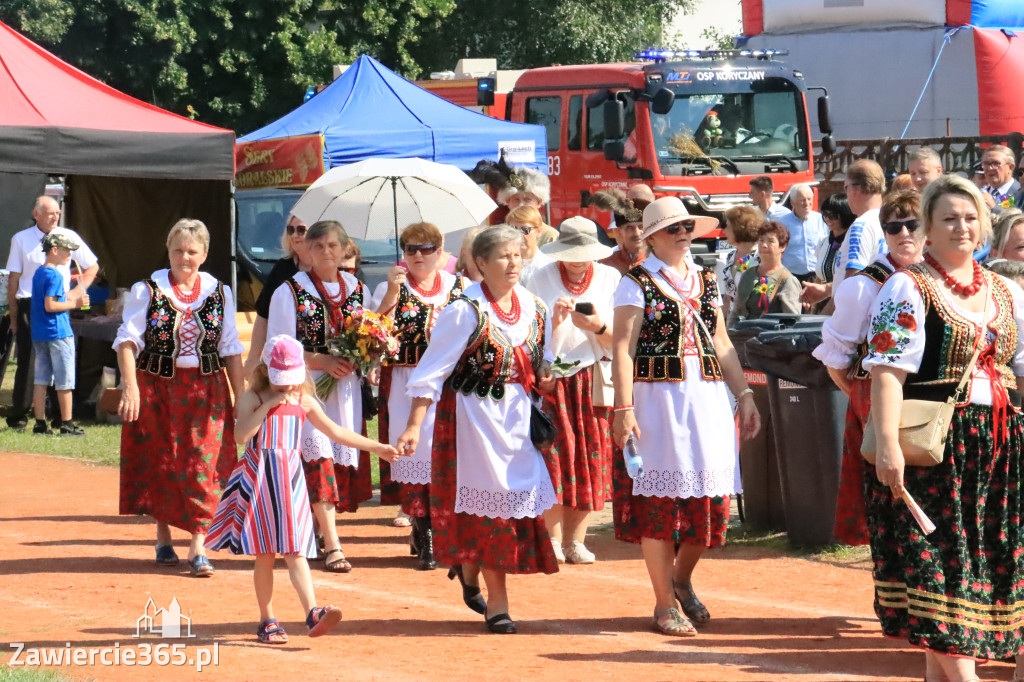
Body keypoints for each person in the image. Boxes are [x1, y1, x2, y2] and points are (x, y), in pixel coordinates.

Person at [863, 174, 1024, 682]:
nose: (962, 227)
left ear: (985, 226)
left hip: (1001, 444)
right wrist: (888, 448)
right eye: (949, 218)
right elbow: (887, 374)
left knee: (1001, 558)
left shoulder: (1007, 290)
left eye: (971, 217)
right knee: (946, 565)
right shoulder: (907, 286)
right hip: (936, 450)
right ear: (927, 230)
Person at [397, 225, 558, 635]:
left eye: (517, 255)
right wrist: (415, 425)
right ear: (480, 264)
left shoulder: (535, 306)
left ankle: (468, 569)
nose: (512, 262)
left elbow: (544, 361)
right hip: (472, 419)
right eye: (502, 256)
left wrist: (547, 374)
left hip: (518, 420)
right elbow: (429, 374)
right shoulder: (464, 309)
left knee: (511, 503)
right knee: (488, 511)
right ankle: (497, 605)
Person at [611, 196, 759, 637]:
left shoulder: (706, 280)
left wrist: (745, 394)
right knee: (659, 504)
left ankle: (681, 578)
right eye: (673, 228)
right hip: (658, 402)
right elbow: (622, 347)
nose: (682, 234)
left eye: (687, 227)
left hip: (708, 400)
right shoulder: (635, 282)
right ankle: (663, 604)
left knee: (711, 499)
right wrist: (623, 408)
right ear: (651, 236)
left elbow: (722, 342)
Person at [206, 335, 400, 644]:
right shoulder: (252, 398)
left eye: (292, 379)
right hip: (260, 480)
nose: (287, 387)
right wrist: (268, 405)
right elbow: (242, 435)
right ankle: (267, 618)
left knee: (296, 550)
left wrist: (377, 447)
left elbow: (336, 432)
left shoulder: (303, 401)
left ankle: (312, 612)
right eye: (280, 380)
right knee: (266, 554)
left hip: (290, 480)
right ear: (265, 371)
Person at [115, 218, 244, 577]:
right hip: (157, 387)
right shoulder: (148, 289)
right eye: (177, 250)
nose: (184, 257)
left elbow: (230, 347)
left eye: (191, 251)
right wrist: (131, 386)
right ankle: (163, 535)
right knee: (164, 463)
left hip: (207, 390)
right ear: (168, 251)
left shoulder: (219, 292)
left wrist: (242, 396)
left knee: (205, 465)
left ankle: (199, 545)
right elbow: (127, 341)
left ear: (204, 254)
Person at [812, 190, 923, 546]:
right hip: (878, 396)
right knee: (890, 493)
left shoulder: (940, 275)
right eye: (894, 227)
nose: (904, 233)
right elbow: (835, 359)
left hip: (936, 396)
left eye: (913, 224)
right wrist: (865, 396)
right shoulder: (864, 285)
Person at [266, 220, 369, 573]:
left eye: (332, 246)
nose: (326, 252)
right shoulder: (289, 291)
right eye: (318, 246)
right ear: (306, 251)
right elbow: (277, 346)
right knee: (318, 458)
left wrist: (361, 356)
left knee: (338, 457)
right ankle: (334, 545)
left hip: (345, 389)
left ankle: (316, 531)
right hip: (306, 387)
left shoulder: (357, 288)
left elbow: (368, 333)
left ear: (344, 250)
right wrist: (320, 360)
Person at [373, 222, 467, 571]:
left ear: (441, 252)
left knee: (447, 455)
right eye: (410, 248)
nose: (418, 255)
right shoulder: (389, 286)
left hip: (449, 382)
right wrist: (390, 298)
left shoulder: (461, 287)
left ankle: (444, 531)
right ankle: (423, 531)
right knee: (413, 455)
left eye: (427, 248)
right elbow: (371, 334)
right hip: (406, 379)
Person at [526, 217, 618, 564]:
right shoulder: (541, 277)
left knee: (588, 455)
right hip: (552, 379)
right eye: (571, 252)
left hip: (593, 377)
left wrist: (598, 326)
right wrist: (555, 323)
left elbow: (620, 339)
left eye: (584, 252)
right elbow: (530, 334)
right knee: (552, 457)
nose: (578, 260)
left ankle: (575, 541)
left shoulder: (610, 277)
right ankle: (550, 539)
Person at [5, 196, 98, 430]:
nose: (55, 217)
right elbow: (14, 278)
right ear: (36, 214)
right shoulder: (22, 239)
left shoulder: (68, 237)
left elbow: (92, 265)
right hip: (31, 304)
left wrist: (78, 291)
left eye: (58, 212)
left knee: (50, 367)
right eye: (50, 213)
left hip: (60, 302)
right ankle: (22, 415)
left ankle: (55, 417)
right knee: (31, 362)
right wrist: (14, 314)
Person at [30, 232, 90, 436]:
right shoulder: (55, 275)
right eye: (66, 251)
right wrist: (76, 303)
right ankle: (67, 423)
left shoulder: (39, 272)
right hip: (58, 332)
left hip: (40, 333)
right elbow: (51, 305)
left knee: (41, 379)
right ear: (54, 250)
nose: (69, 255)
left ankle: (40, 424)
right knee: (65, 380)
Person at [244, 214, 312, 378]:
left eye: (301, 230)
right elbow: (263, 316)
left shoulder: (325, 270)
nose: (295, 235)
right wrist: (253, 358)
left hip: (318, 358)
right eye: (291, 230)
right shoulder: (282, 268)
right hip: (284, 358)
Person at [469, 158, 559, 245]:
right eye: (516, 199)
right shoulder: (498, 235)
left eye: (527, 199)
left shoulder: (550, 235)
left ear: (538, 202)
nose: (521, 204)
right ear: (508, 202)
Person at [728, 221, 801, 325]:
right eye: (761, 240)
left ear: (782, 246)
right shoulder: (748, 274)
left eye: (771, 241)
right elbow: (736, 312)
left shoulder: (788, 281)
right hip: (743, 336)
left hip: (770, 338)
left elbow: (792, 321)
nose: (764, 245)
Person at [834, 159, 886, 292]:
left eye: (846, 187)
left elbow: (853, 282)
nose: (846, 194)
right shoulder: (890, 220)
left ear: (855, 188)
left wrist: (827, 312)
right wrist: (826, 291)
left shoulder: (861, 225)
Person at [801, 192, 857, 310]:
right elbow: (819, 277)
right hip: (821, 303)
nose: (827, 219)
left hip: (843, 304)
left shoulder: (854, 243)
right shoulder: (823, 242)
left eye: (833, 216)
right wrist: (813, 305)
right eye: (825, 214)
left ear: (845, 216)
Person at [587, 189, 649, 275]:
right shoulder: (606, 265)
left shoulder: (657, 262)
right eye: (630, 228)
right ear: (619, 231)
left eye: (641, 227)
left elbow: (650, 288)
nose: (637, 233)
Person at [719, 205, 763, 322]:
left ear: (739, 228)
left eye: (727, 226)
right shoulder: (730, 256)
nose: (724, 230)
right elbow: (727, 297)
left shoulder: (760, 258)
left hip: (752, 323)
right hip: (732, 324)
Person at [778, 183, 828, 283]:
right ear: (793, 203)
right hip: (790, 276)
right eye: (802, 200)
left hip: (817, 276)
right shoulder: (782, 223)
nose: (807, 203)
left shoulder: (822, 220)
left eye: (809, 199)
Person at [506, 205, 553, 286]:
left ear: (538, 232)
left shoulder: (549, 266)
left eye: (524, 230)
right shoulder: (504, 264)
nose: (518, 234)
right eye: (513, 229)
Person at [979, 144, 1022, 214]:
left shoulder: (1021, 193)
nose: (990, 168)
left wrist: (994, 207)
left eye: (996, 163)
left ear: (1011, 167)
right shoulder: (980, 192)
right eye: (986, 163)